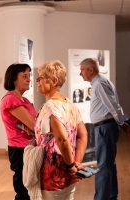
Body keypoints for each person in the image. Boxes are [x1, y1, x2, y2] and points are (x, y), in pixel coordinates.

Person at [79, 58, 130, 200]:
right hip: (105, 127)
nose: (80, 73)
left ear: (91, 70)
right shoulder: (101, 82)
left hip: (105, 127)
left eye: (82, 69)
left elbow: (113, 105)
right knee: (108, 164)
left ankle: (102, 198)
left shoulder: (100, 83)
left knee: (103, 165)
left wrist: (123, 122)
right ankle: (111, 195)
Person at [34, 60, 88, 200]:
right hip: (69, 175)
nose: (36, 80)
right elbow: (83, 135)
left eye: (41, 77)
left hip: (53, 175)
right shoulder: (69, 104)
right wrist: (76, 162)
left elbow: (62, 139)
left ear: (53, 81)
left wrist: (71, 165)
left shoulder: (51, 107)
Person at [0, 63, 37, 200]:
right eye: (24, 76)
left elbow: (36, 123)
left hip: (29, 147)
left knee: (29, 188)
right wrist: (33, 127)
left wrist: (34, 126)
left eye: (29, 76)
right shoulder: (10, 100)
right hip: (19, 149)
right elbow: (35, 126)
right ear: (14, 80)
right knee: (23, 190)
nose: (29, 79)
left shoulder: (25, 100)